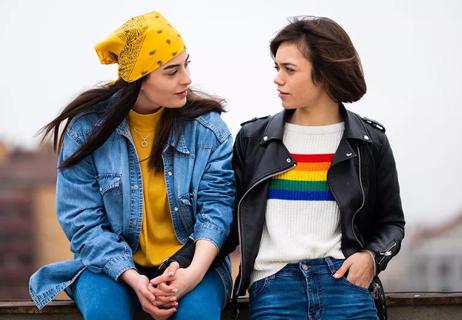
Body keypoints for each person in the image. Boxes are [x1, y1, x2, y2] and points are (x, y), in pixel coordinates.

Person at [29, 11, 235, 320]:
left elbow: (217, 209)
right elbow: (81, 221)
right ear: (140, 78)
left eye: (186, 64)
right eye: (171, 71)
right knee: (105, 313)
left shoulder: (208, 130)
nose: (187, 79)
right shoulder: (86, 130)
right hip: (108, 266)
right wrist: (132, 277)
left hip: (193, 262)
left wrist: (190, 276)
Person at [220, 16, 405, 319]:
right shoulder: (253, 140)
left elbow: (391, 222)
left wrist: (371, 259)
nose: (278, 78)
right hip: (274, 288)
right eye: (277, 68)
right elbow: (226, 224)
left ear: (326, 73)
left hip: (346, 285)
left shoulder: (370, 142)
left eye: (289, 70)